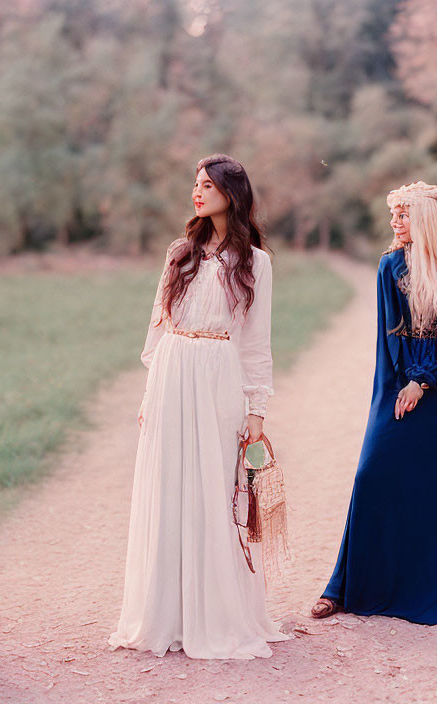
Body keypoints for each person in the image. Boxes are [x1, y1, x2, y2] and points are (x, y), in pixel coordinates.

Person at [110, 154, 288, 659]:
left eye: (207, 184)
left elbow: (256, 342)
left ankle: (216, 612)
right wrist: (149, 395)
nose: (197, 191)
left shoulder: (256, 262)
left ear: (231, 193)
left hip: (218, 376)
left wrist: (257, 411)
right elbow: (157, 325)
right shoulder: (179, 252)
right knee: (169, 486)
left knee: (213, 488)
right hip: (172, 373)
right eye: (195, 183)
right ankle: (168, 613)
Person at [313, 182, 437, 624]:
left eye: (402, 215)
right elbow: (391, 337)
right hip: (401, 384)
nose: (394, 223)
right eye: (392, 215)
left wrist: (429, 380)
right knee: (373, 473)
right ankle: (343, 587)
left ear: (425, 220)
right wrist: (408, 383)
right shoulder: (390, 265)